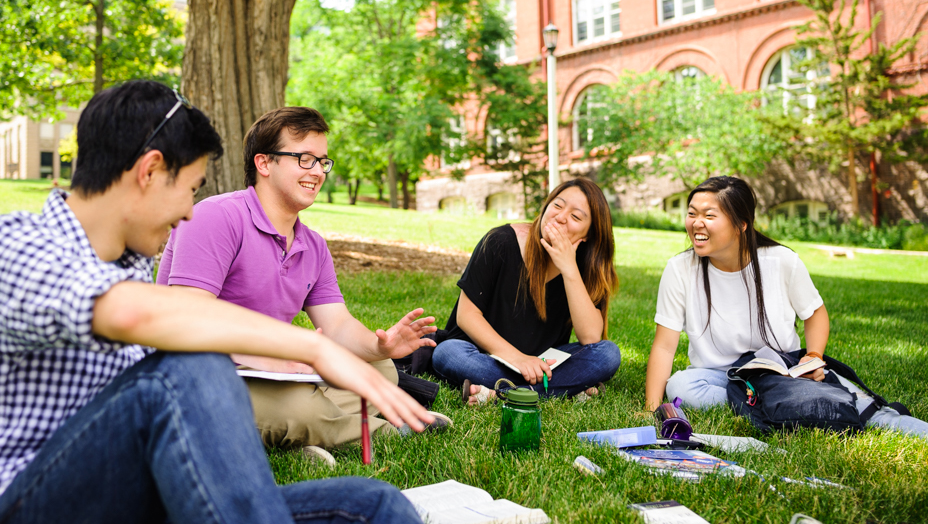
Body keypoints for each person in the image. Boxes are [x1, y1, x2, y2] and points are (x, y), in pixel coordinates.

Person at [0, 81, 432, 524]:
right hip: (3, 505)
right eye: (190, 188)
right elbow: (133, 314)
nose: (190, 211)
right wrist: (315, 349)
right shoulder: (15, 242)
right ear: (150, 171)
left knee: (373, 506)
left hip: (129, 498)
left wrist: (368, 349)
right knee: (191, 369)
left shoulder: (130, 264)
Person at [156, 106, 448, 453]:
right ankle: (363, 430)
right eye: (304, 158)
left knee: (381, 369)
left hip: (271, 373)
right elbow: (188, 319)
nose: (317, 172)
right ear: (264, 163)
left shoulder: (313, 246)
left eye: (322, 161)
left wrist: (379, 347)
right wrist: (271, 356)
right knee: (302, 407)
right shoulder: (217, 217)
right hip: (202, 373)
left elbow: (337, 325)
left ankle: (303, 433)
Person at [645, 175, 928, 437]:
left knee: (870, 412)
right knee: (681, 386)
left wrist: (813, 356)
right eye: (692, 213)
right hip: (718, 376)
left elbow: (815, 314)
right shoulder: (680, 268)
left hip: (781, 372)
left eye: (709, 215)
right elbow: (664, 345)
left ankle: (785, 406)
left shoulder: (780, 260)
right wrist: (651, 408)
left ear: (742, 223)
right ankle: (789, 408)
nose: (696, 223)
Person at [431, 178, 622, 404]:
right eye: (557, 206)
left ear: (589, 234)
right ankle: (563, 389)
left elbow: (590, 338)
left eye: (575, 216)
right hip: (482, 354)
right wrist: (519, 359)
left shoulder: (586, 268)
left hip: (542, 362)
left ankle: (500, 393)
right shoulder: (500, 242)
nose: (560, 217)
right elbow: (466, 316)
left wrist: (569, 268)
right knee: (448, 353)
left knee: (608, 354)